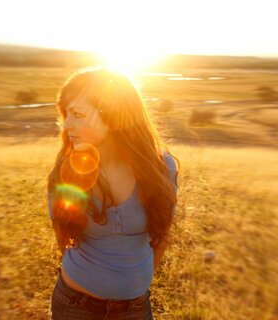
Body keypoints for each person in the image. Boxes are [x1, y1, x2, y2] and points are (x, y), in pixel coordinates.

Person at [46, 67, 179, 319]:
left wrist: (136, 281)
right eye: (65, 114)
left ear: (113, 115)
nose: (66, 125)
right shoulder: (68, 172)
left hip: (136, 308)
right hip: (76, 306)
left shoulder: (161, 169)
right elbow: (63, 236)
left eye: (77, 114)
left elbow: (162, 234)